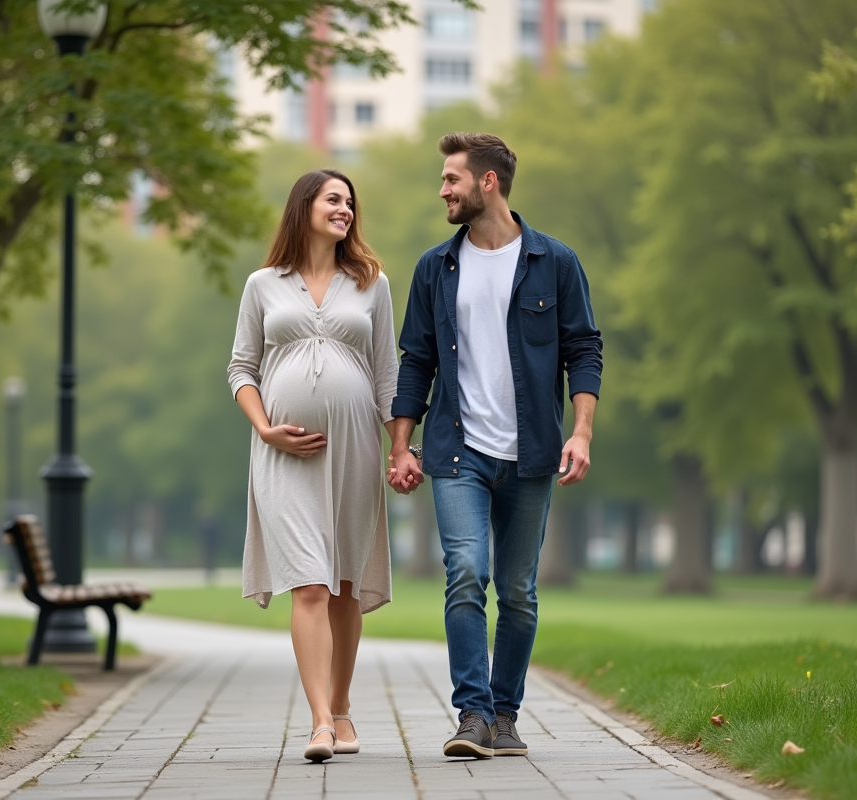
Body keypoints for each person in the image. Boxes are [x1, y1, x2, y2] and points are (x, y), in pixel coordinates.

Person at [387, 133, 603, 759]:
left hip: (533, 451)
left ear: (488, 183)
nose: (442, 190)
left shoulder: (555, 262)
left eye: (451, 178)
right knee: (465, 574)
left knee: (517, 592)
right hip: (456, 449)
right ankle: (472, 715)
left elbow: (584, 349)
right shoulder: (435, 268)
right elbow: (416, 361)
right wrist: (402, 446)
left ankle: (505, 716)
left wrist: (581, 431)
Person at [228, 169, 399, 763]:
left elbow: (386, 378)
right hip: (284, 456)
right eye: (334, 199)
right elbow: (241, 369)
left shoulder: (372, 284)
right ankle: (320, 721)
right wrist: (265, 428)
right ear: (304, 206)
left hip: (355, 450)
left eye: (350, 202)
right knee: (309, 584)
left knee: (345, 585)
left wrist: (400, 448)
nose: (346, 210)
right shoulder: (262, 285)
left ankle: (344, 706)